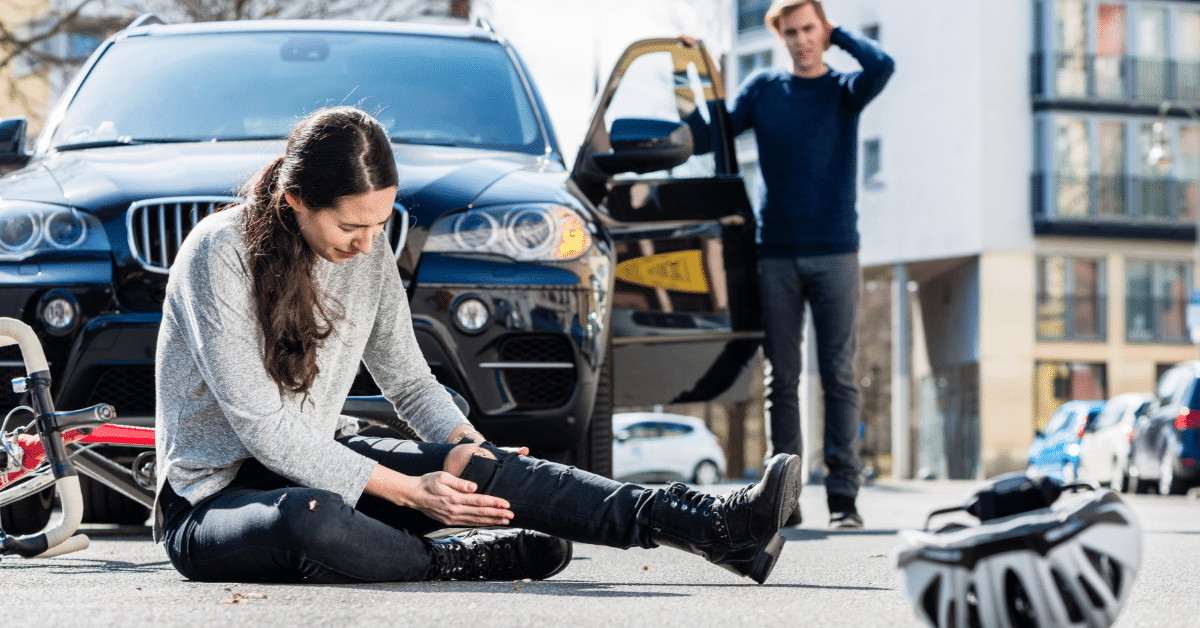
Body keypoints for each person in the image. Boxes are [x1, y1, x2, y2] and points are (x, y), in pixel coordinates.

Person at [153, 106, 803, 585]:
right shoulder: (220, 252)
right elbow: (263, 429)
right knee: (309, 517)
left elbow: (408, 383)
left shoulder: (368, 248)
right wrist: (411, 493)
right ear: (295, 200)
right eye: (352, 225)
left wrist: (473, 450)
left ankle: (711, 527)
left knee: (472, 465)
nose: (366, 241)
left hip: (321, 458)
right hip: (212, 504)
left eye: (380, 223)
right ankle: (451, 559)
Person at [724, 0, 893, 529]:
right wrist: (691, 71)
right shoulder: (763, 91)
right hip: (775, 253)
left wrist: (840, 34)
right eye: (791, 32)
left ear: (823, 30)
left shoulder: (844, 91)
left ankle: (844, 499)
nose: (801, 40)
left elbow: (882, 66)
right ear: (781, 37)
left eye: (809, 29)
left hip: (836, 251)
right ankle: (784, 498)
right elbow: (714, 132)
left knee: (840, 375)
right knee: (783, 379)